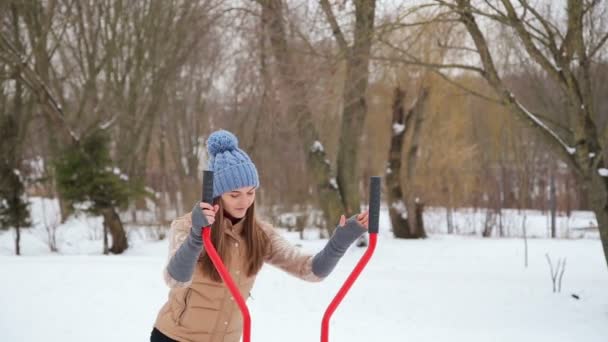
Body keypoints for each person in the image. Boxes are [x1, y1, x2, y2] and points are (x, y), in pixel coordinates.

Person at [151, 130, 368, 342]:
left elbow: (310, 270)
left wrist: (340, 241)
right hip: (175, 337)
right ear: (217, 195)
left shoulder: (259, 234)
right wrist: (197, 236)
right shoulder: (187, 226)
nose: (244, 202)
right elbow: (175, 280)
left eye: (250, 192)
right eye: (234, 195)